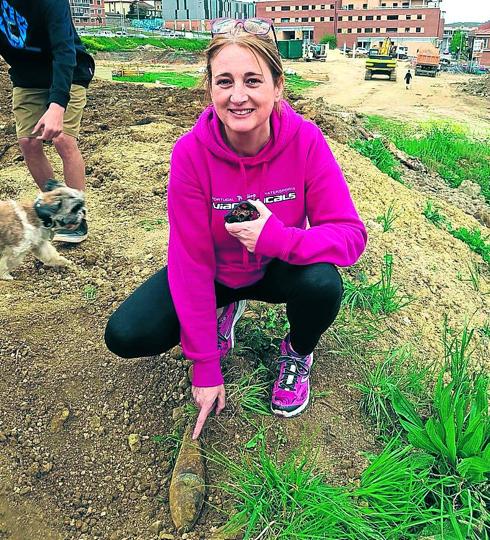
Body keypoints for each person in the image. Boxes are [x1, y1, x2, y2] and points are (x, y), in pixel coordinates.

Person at [105, 18, 368, 440]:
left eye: (252, 80)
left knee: (322, 282)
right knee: (125, 334)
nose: (238, 96)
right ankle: (222, 311)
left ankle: (297, 352)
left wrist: (277, 239)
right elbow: (189, 261)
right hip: (217, 275)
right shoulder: (191, 154)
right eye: (224, 81)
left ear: (278, 86)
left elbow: (350, 236)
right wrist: (205, 365)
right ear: (208, 88)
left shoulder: (306, 142)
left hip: (274, 269)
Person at [0, 0, 95, 243]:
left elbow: (64, 51)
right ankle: (58, 209)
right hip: (27, 77)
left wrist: (57, 104)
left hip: (68, 72)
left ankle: (74, 218)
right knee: (28, 143)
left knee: (63, 139)